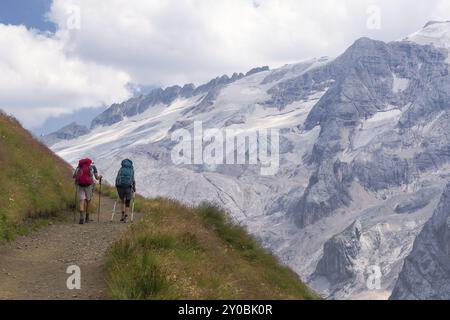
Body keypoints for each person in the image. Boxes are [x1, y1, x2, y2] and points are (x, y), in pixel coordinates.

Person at [73, 158, 102, 224]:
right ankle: (87, 218)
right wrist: (100, 176)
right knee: (88, 201)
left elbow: (74, 176)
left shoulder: (79, 166)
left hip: (80, 185)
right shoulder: (93, 167)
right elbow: (97, 178)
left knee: (81, 201)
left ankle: (81, 218)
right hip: (89, 186)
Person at [115, 159, 136, 223]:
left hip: (120, 187)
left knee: (123, 201)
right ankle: (126, 217)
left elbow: (117, 178)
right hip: (128, 187)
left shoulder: (121, 170)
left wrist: (117, 186)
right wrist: (134, 188)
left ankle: (122, 215)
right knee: (127, 202)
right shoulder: (131, 170)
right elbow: (133, 180)